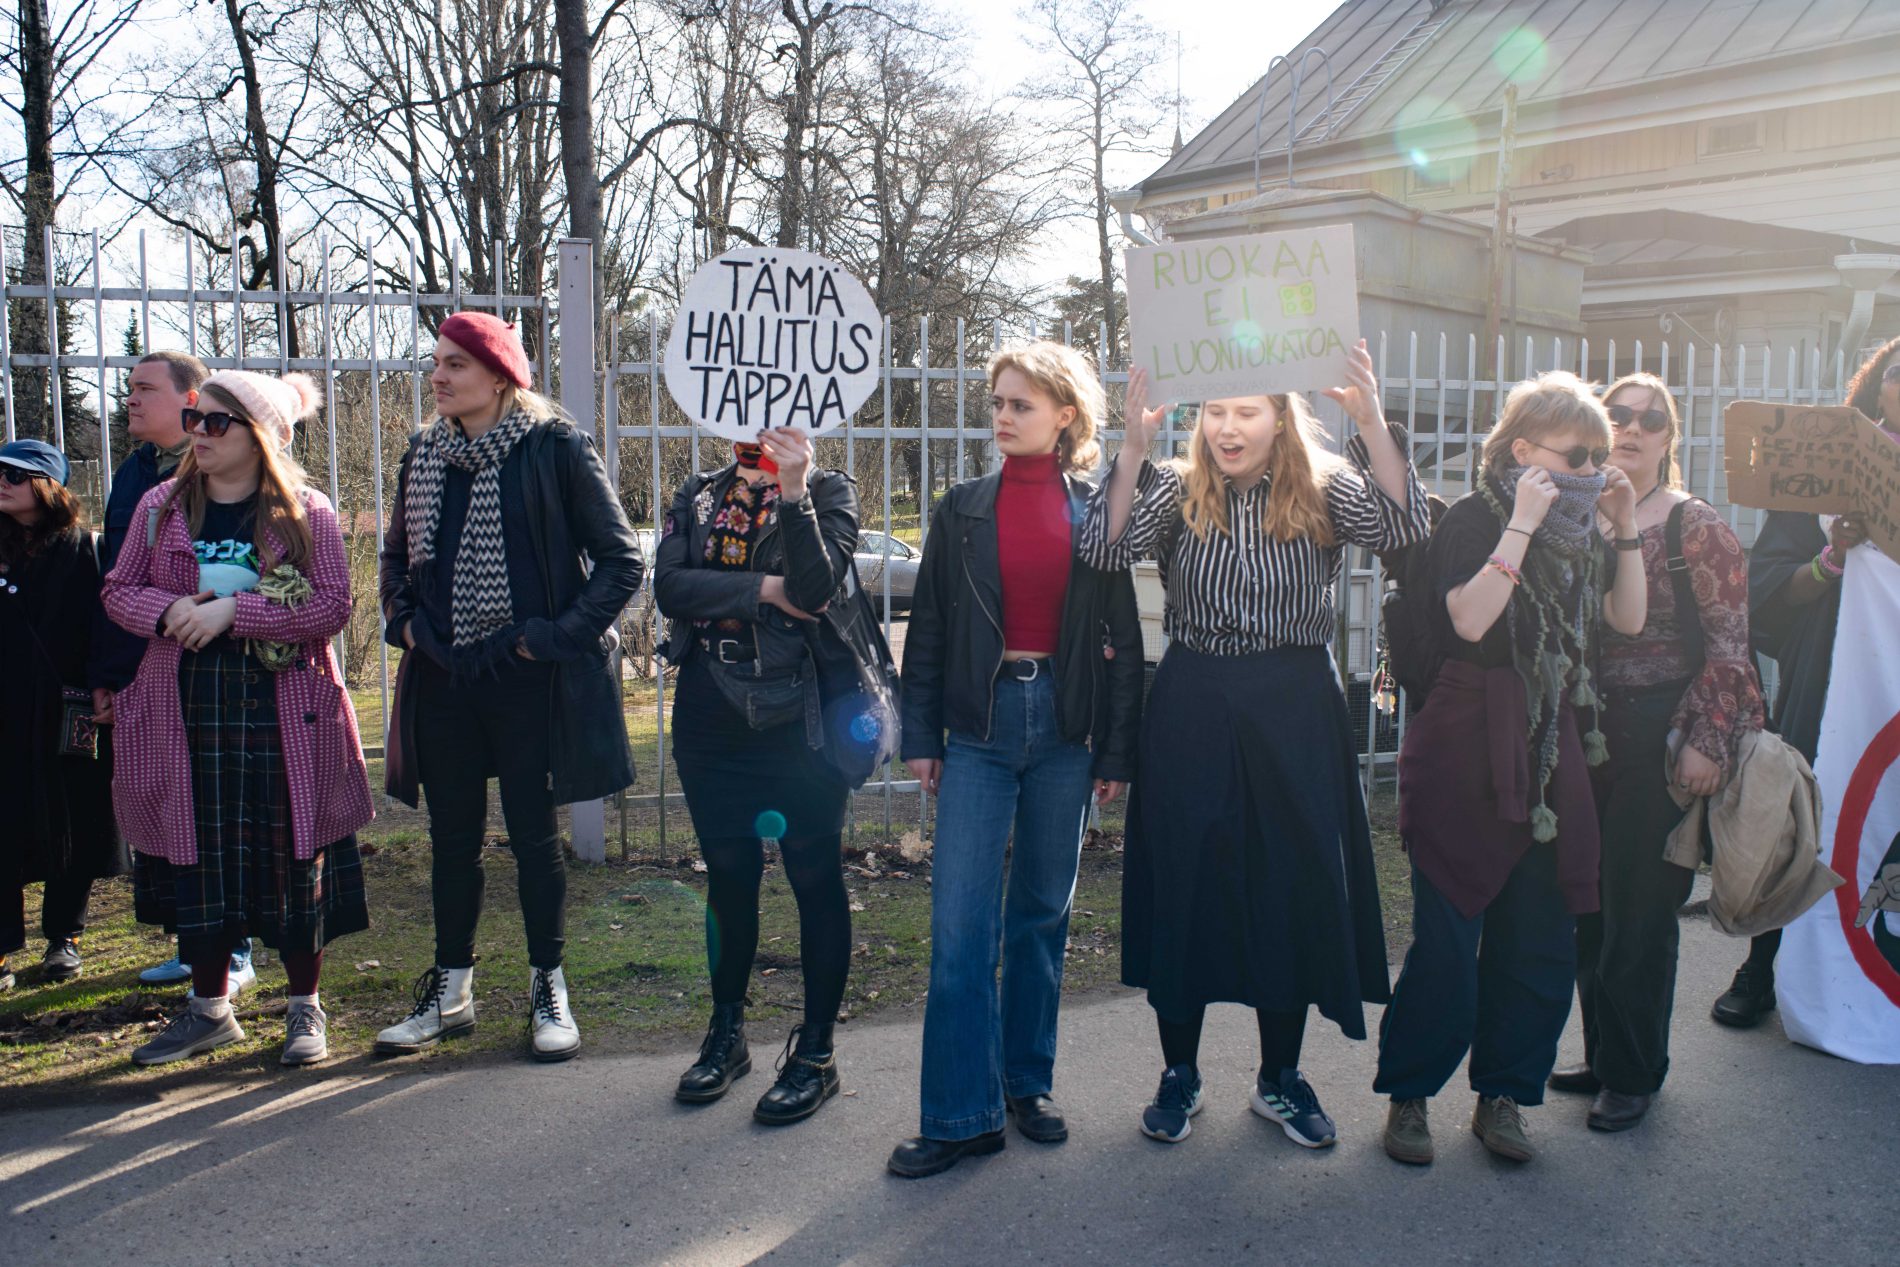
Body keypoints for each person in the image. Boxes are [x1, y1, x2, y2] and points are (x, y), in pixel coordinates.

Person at [1082, 340, 1427, 1149]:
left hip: (1294, 702)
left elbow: (1407, 532)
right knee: (1189, 877)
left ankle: (1279, 1078)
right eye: (1216, 412)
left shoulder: (1328, 485)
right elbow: (1099, 550)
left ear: (1280, 415)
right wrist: (1133, 447)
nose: (1229, 428)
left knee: (1289, 880)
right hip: (1194, 696)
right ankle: (1180, 1073)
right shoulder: (1170, 486)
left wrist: (1372, 422)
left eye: (1247, 410)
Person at [1374, 371, 1646, 1166]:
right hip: (1465, 732)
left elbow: (1624, 620)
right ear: (1523, 450)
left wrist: (1623, 527)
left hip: (1548, 741)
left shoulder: (1582, 531)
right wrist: (1522, 524)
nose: (1591, 466)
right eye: (1576, 452)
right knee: (1448, 941)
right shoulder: (1474, 516)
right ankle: (1411, 1094)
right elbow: (1468, 618)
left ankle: (1504, 1096)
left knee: (1538, 938)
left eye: (1599, 453)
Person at [886, 343, 1144, 1178]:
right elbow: (926, 630)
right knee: (961, 927)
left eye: (1021, 404)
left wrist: (1115, 747)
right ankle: (960, 1114)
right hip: (982, 729)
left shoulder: (1096, 509)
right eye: (997, 401)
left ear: (1065, 415)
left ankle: (1027, 1083)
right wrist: (920, 734)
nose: (1002, 415)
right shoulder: (961, 507)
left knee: (1040, 915)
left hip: (1066, 730)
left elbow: (1125, 638)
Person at [375, 312, 642, 1064]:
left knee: (533, 837)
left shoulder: (553, 449)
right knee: (451, 839)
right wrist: (408, 628)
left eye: (455, 364)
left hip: (527, 678)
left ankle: (548, 986)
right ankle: (450, 991)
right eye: (436, 363)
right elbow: (395, 561)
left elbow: (621, 562)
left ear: (500, 375)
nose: (438, 377)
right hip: (445, 675)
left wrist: (548, 638)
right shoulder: (423, 455)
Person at [102, 371, 374, 1066]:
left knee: (288, 856)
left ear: (259, 436)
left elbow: (332, 606)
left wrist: (235, 611)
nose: (198, 433)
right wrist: (166, 613)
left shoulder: (306, 513)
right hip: (186, 704)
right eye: (195, 419)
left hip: (283, 707)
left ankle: (304, 1008)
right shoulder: (162, 508)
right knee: (202, 853)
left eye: (216, 423)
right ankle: (209, 1008)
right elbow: (118, 588)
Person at [1542, 373, 1766, 1131]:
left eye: (1651, 419)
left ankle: (1634, 1073)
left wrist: (1706, 740)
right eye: (1619, 415)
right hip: (1584, 734)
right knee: (1590, 905)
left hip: (1661, 736)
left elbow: (1734, 648)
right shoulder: (1575, 518)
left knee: (1641, 911)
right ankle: (1603, 1054)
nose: (1633, 427)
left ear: (1669, 439)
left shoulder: (1694, 525)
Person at [655, 425, 867, 1126]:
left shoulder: (831, 492)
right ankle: (727, 1035)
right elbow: (672, 584)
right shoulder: (700, 493)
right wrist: (765, 588)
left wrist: (797, 491)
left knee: (813, 874)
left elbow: (816, 587)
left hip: (800, 718)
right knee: (729, 875)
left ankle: (817, 1053)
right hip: (711, 715)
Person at [1711, 335, 1900, 1028]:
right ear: (1877, 388)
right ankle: (1763, 966)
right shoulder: (1820, 481)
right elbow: (1763, 589)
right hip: (1832, 674)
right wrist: (1831, 560)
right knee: (1802, 815)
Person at [93, 351, 257, 993]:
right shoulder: (137, 477)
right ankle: (196, 948)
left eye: (145, 388)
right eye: (128, 388)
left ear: (191, 402)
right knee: (168, 812)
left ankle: (233, 952)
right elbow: (115, 581)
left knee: (222, 810)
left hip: (226, 678)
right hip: (146, 663)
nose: (131, 398)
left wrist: (232, 614)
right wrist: (107, 670)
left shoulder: (229, 483)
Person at [0, 440, 122, 991]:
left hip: (65, 708)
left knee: (72, 820)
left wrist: (102, 684)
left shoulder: (81, 548)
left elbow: (102, 624)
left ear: (48, 487)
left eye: (16, 475)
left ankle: (64, 937)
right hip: (3, 709)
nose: (3, 482)